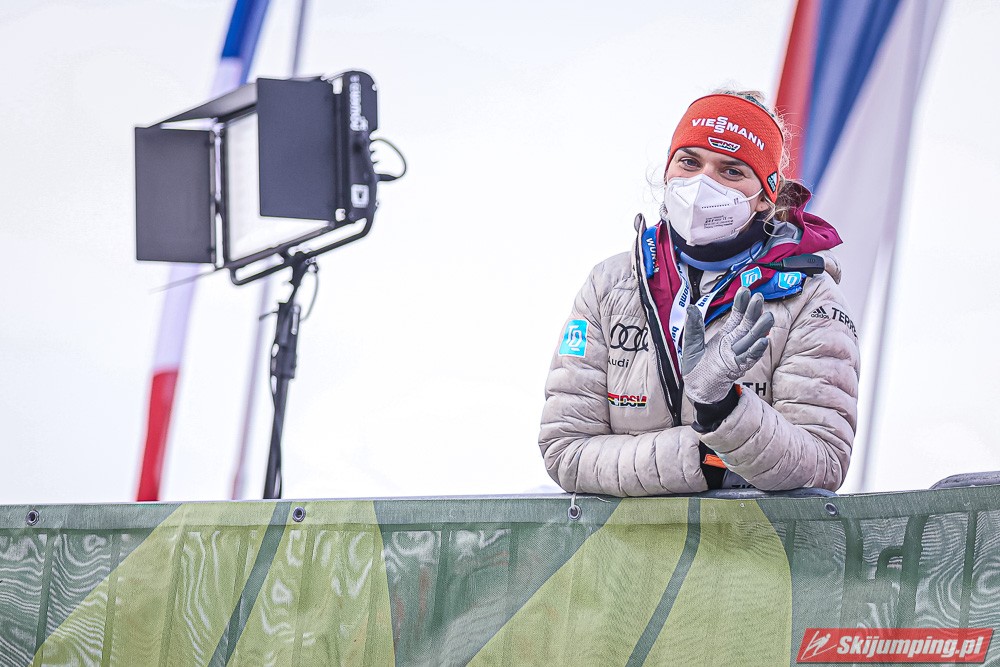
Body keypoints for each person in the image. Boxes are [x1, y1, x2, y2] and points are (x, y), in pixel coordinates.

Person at [538, 90, 860, 495]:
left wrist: (722, 405)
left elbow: (823, 464)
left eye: (731, 171)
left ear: (765, 196)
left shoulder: (810, 298)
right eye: (689, 162)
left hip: (755, 537)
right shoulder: (609, 285)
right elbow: (565, 450)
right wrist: (705, 460)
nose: (703, 182)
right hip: (625, 540)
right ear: (667, 171)